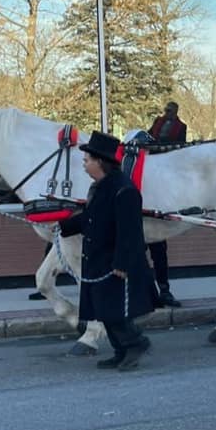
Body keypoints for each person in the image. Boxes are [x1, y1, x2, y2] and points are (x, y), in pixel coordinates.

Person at [59, 131, 158, 371]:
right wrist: (63, 226)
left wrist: (122, 264)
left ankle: (135, 343)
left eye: (87, 160)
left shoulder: (124, 190)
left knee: (115, 310)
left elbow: (130, 232)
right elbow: (91, 219)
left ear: (100, 161)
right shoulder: (101, 187)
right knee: (103, 309)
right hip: (98, 259)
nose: (84, 164)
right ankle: (120, 350)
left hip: (115, 263)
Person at [146, 101, 187, 307]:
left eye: (171, 110)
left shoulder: (181, 127)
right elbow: (149, 136)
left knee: (159, 251)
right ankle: (148, 291)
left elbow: (180, 147)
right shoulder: (157, 122)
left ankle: (164, 289)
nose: (168, 113)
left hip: (158, 209)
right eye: (167, 110)